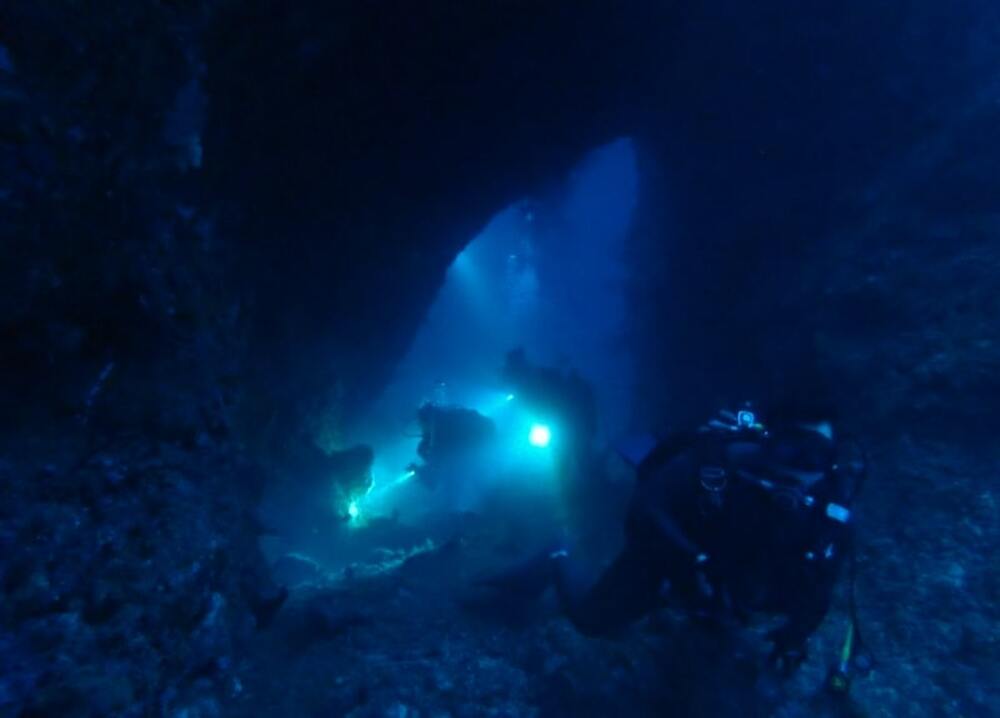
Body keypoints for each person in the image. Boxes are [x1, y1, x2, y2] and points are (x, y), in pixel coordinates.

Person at [481, 401, 866, 675]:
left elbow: (822, 587)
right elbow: (648, 505)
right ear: (768, 444)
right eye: (789, 449)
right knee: (592, 619)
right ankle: (558, 553)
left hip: (725, 584)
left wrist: (794, 637)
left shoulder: (832, 513)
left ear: (830, 464)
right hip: (672, 561)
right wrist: (689, 561)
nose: (797, 470)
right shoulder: (716, 467)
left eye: (813, 457)